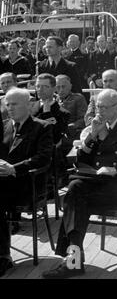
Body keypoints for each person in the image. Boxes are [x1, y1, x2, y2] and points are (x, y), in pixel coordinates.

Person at [42, 89, 117, 279]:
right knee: (75, 192)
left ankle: (73, 261)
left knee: (74, 195)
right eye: (97, 106)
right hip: (96, 185)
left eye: (104, 107)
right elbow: (82, 159)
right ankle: (73, 259)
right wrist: (93, 135)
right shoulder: (98, 125)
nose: (99, 111)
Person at [0, 88, 53, 277]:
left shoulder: (42, 127)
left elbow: (43, 159)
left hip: (27, 184)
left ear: (28, 105)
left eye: (14, 104)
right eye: (7, 104)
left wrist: (15, 168)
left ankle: (3, 257)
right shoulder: (3, 125)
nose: (10, 108)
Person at [56, 74, 88, 145]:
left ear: (70, 86)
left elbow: (84, 119)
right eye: (58, 87)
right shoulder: (54, 100)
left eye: (63, 86)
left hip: (72, 135)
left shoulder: (78, 98)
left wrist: (70, 126)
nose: (61, 90)